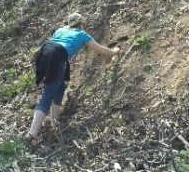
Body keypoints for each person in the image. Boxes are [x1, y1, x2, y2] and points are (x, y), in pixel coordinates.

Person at [24, 13, 119, 144]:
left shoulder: (61, 29)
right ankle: (32, 134)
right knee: (48, 95)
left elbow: (50, 44)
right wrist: (114, 51)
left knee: (60, 86)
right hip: (57, 57)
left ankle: (54, 121)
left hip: (46, 54)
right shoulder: (82, 34)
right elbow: (100, 50)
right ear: (82, 23)